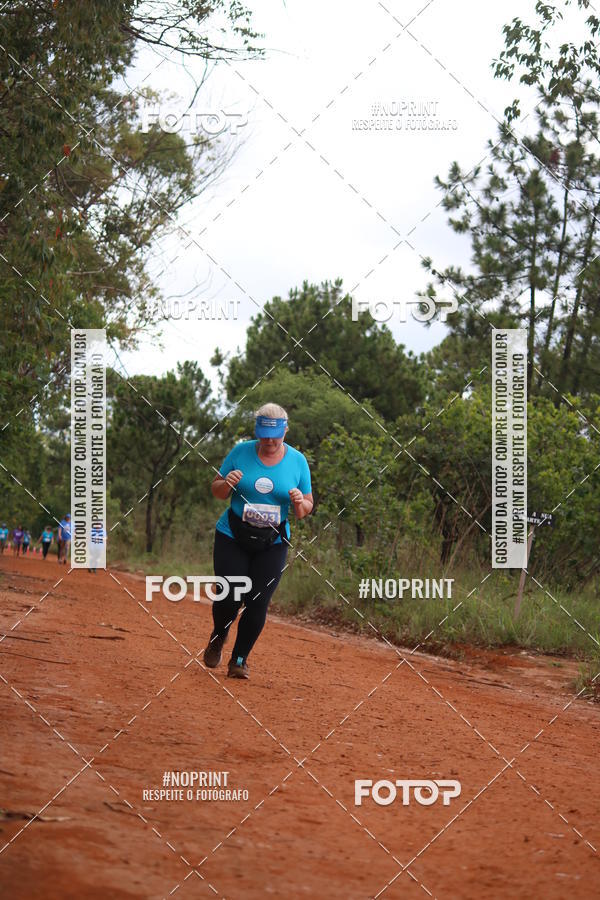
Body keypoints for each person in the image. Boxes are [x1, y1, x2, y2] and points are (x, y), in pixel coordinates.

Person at [203, 403, 313, 679]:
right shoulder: (240, 452)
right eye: (264, 435)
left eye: (275, 435)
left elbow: (305, 509)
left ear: (286, 430)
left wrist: (300, 502)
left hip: (273, 541)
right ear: (257, 431)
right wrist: (227, 483)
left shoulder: (298, 461)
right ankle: (219, 634)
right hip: (233, 535)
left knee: (258, 600)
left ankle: (239, 659)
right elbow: (217, 491)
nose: (269, 441)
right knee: (230, 594)